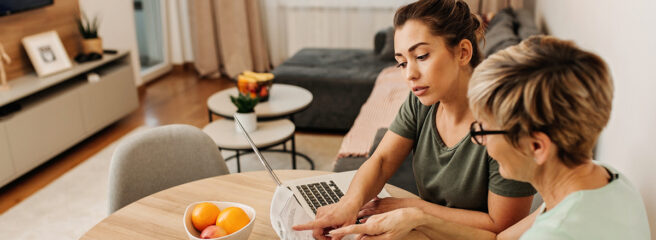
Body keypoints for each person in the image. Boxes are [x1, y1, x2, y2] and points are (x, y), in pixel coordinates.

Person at [328, 35, 651, 239]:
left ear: (536, 146)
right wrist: (415, 217)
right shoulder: (608, 178)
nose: (480, 142)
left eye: (483, 130)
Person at [293, 0, 536, 239]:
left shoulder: (504, 124)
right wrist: (349, 203)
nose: (410, 74)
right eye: (401, 62)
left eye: (421, 56)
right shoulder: (421, 101)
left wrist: (414, 208)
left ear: (463, 52)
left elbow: (502, 227)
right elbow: (382, 160)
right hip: (424, 229)